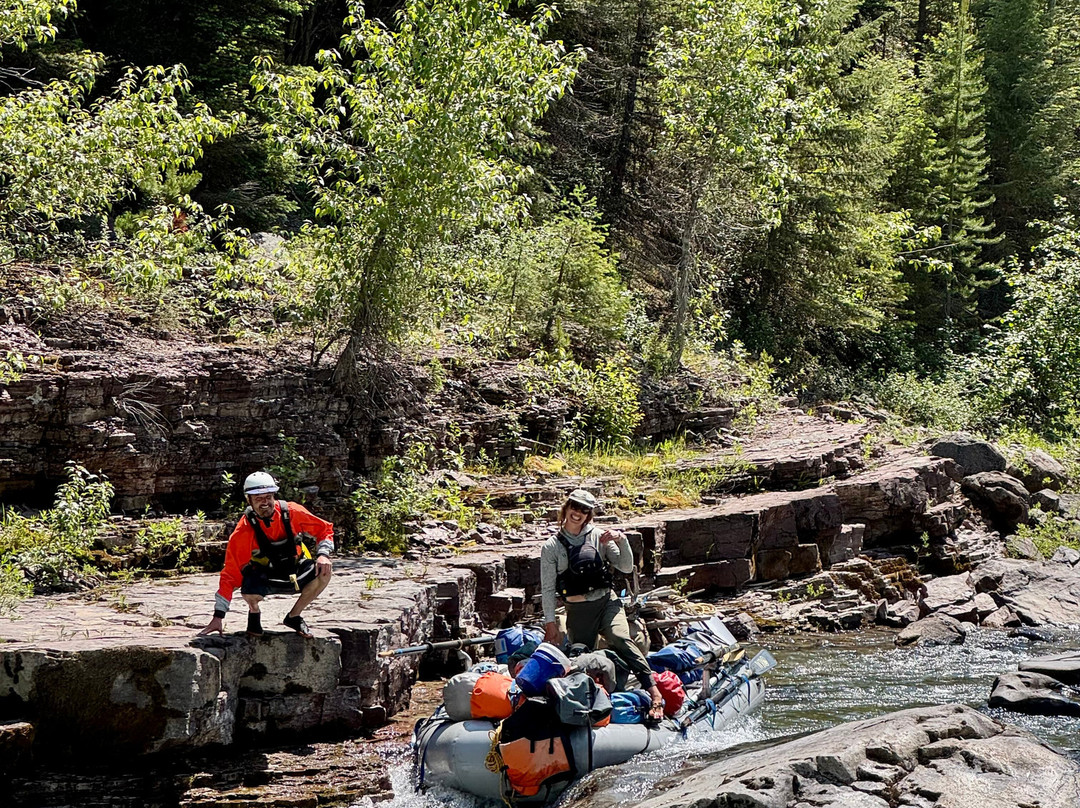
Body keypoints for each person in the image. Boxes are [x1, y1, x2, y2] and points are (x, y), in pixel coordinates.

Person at [539, 488, 664, 720]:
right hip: (578, 610)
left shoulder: (600, 536)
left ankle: (653, 691)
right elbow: (547, 589)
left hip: (607, 602)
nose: (578, 513)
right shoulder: (551, 547)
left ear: (589, 514)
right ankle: (587, 703)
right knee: (581, 656)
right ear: (566, 508)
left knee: (619, 637)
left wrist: (621, 540)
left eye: (584, 510)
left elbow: (626, 567)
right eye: (574, 507)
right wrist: (550, 623)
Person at [199, 471, 333, 638]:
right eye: (258, 499)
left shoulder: (291, 512)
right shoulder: (244, 530)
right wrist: (218, 616)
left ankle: (294, 617)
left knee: (325, 572)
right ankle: (254, 613)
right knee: (248, 588)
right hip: (265, 576)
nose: (265, 503)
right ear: (249, 500)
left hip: (294, 570)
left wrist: (323, 555)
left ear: (274, 496)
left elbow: (324, 529)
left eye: (268, 497)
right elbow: (230, 574)